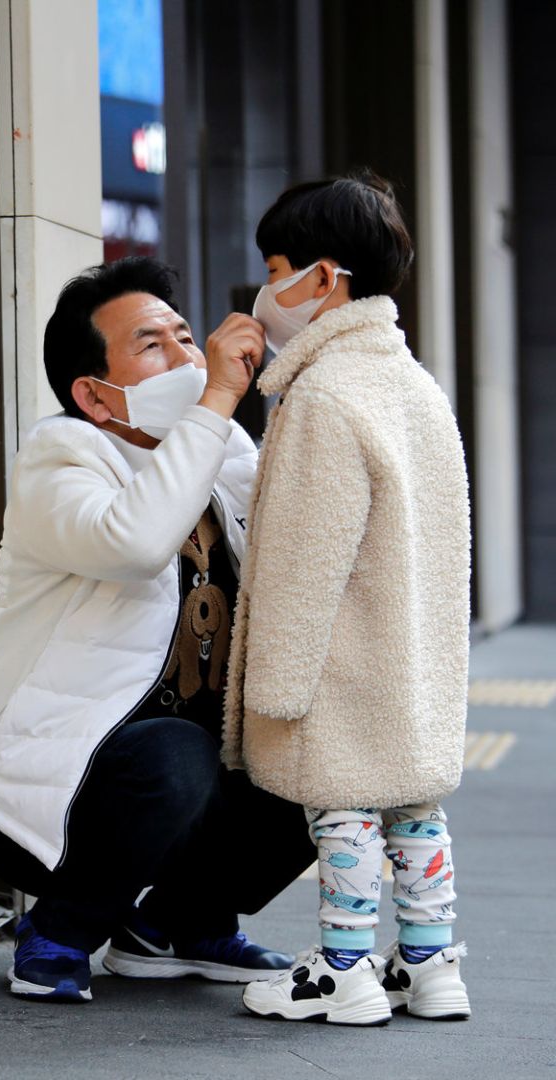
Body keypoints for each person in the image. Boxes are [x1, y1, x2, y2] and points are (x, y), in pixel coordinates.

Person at [0, 257, 316, 1003]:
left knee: (322, 748)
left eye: (188, 337)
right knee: (177, 755)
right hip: (47, 790)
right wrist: (216, 398)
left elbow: (297, 549)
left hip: (178, 780)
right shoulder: (60, 457)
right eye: (154, 345)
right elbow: (134, 543)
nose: (189, 357)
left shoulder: (221, 453)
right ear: (93, 393)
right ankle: (58, 930)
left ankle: (182, 925)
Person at [226, 173, 472, 1025]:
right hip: (410, 650)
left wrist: (276, 690)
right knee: (412, 806)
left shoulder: (326, 394)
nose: (266, 285)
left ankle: (341, 967)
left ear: (324, 279)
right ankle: (433, 964)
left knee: (342, 809)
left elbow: (301, 559)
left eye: (276, 264)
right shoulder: (415, 386)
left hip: (343, 657)